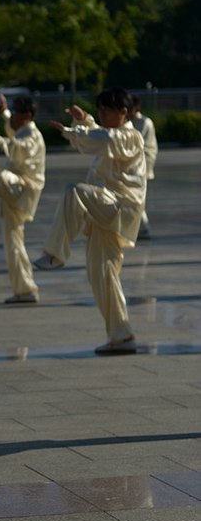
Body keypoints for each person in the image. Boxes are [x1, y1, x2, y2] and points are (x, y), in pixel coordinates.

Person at [33, 87, 146, 355]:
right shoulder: (116, 135)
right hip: (105, 210)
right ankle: (122, 336)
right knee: (102, 275)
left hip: (119, 207)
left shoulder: (131, 136)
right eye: (101, 112)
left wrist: (74, 131)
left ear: (123, 113)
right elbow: (103, 135)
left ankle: (55, 253)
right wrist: (85, 122)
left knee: (75, 191)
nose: (103, 116)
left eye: (107, 111)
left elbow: (105, 139)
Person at [0, 93, 45, 304]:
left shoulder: (32, 136)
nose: (14, 117)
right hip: (17, 190)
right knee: (14, 241)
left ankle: (26, 289)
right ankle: (24, 288)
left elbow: (18, 148)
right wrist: (4, 113)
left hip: (22, 190)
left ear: (27, 115)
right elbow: (14, 135)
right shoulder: (24, 131)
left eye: (17, 112)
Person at [129, 94, 158, 240]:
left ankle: (144, 228)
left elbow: (138, 144)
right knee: (135, 195)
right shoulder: (131, 122)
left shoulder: (145, 122)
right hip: (135, 164)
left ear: (137, 108)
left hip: (143, 163)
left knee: (138, 196)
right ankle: (139, 227)